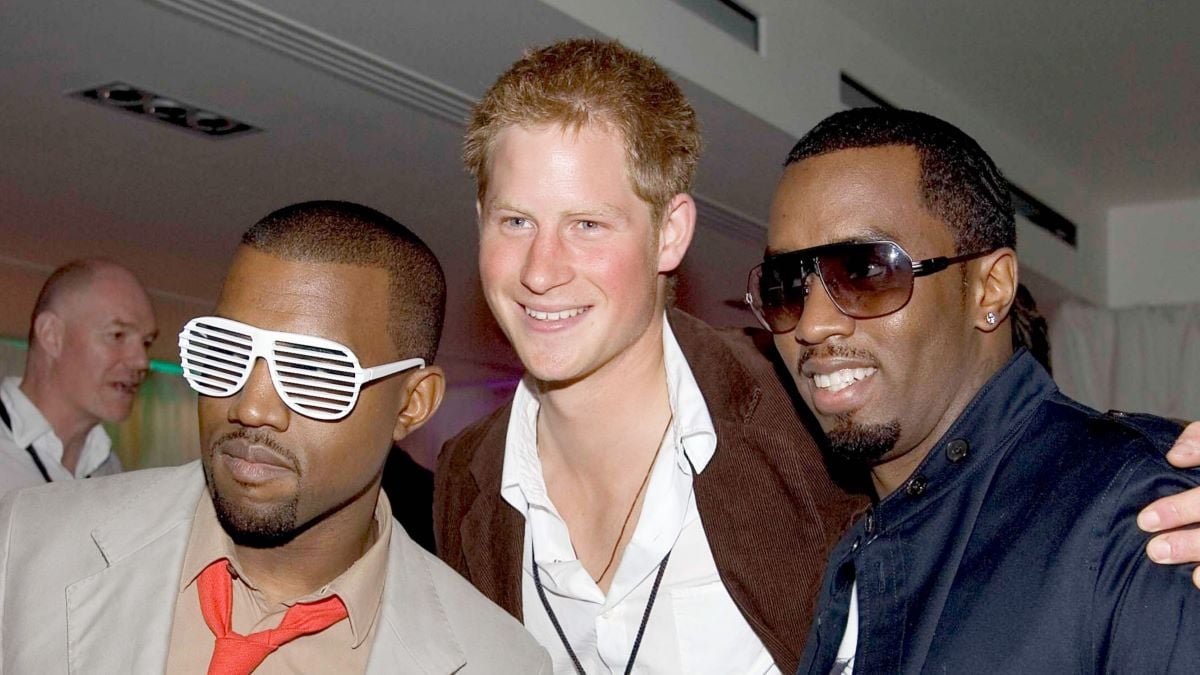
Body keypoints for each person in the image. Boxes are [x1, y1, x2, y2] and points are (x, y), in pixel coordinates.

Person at [435, 38, 867, 675]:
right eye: (515, 222)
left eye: (587, 225)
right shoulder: (464, 475)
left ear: (670, 234)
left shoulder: (807, 428)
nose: (540, 271)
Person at [0, 201, 549, 674]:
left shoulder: (495, 660)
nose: (251, 405)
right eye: (227, 352)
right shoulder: (27, 541)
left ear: (412, 403)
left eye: (312, 372)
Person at [746, 108, 1199, 673]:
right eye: (786, 284)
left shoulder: (1138, 504)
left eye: (865, 271)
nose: (811, 325)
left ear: (990, 289)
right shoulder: (852, 553)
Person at [0, 258, 157, 498]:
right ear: (52, 335)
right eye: (117, 335)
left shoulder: (110, 473)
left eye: (146, 343)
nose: (141, 362)